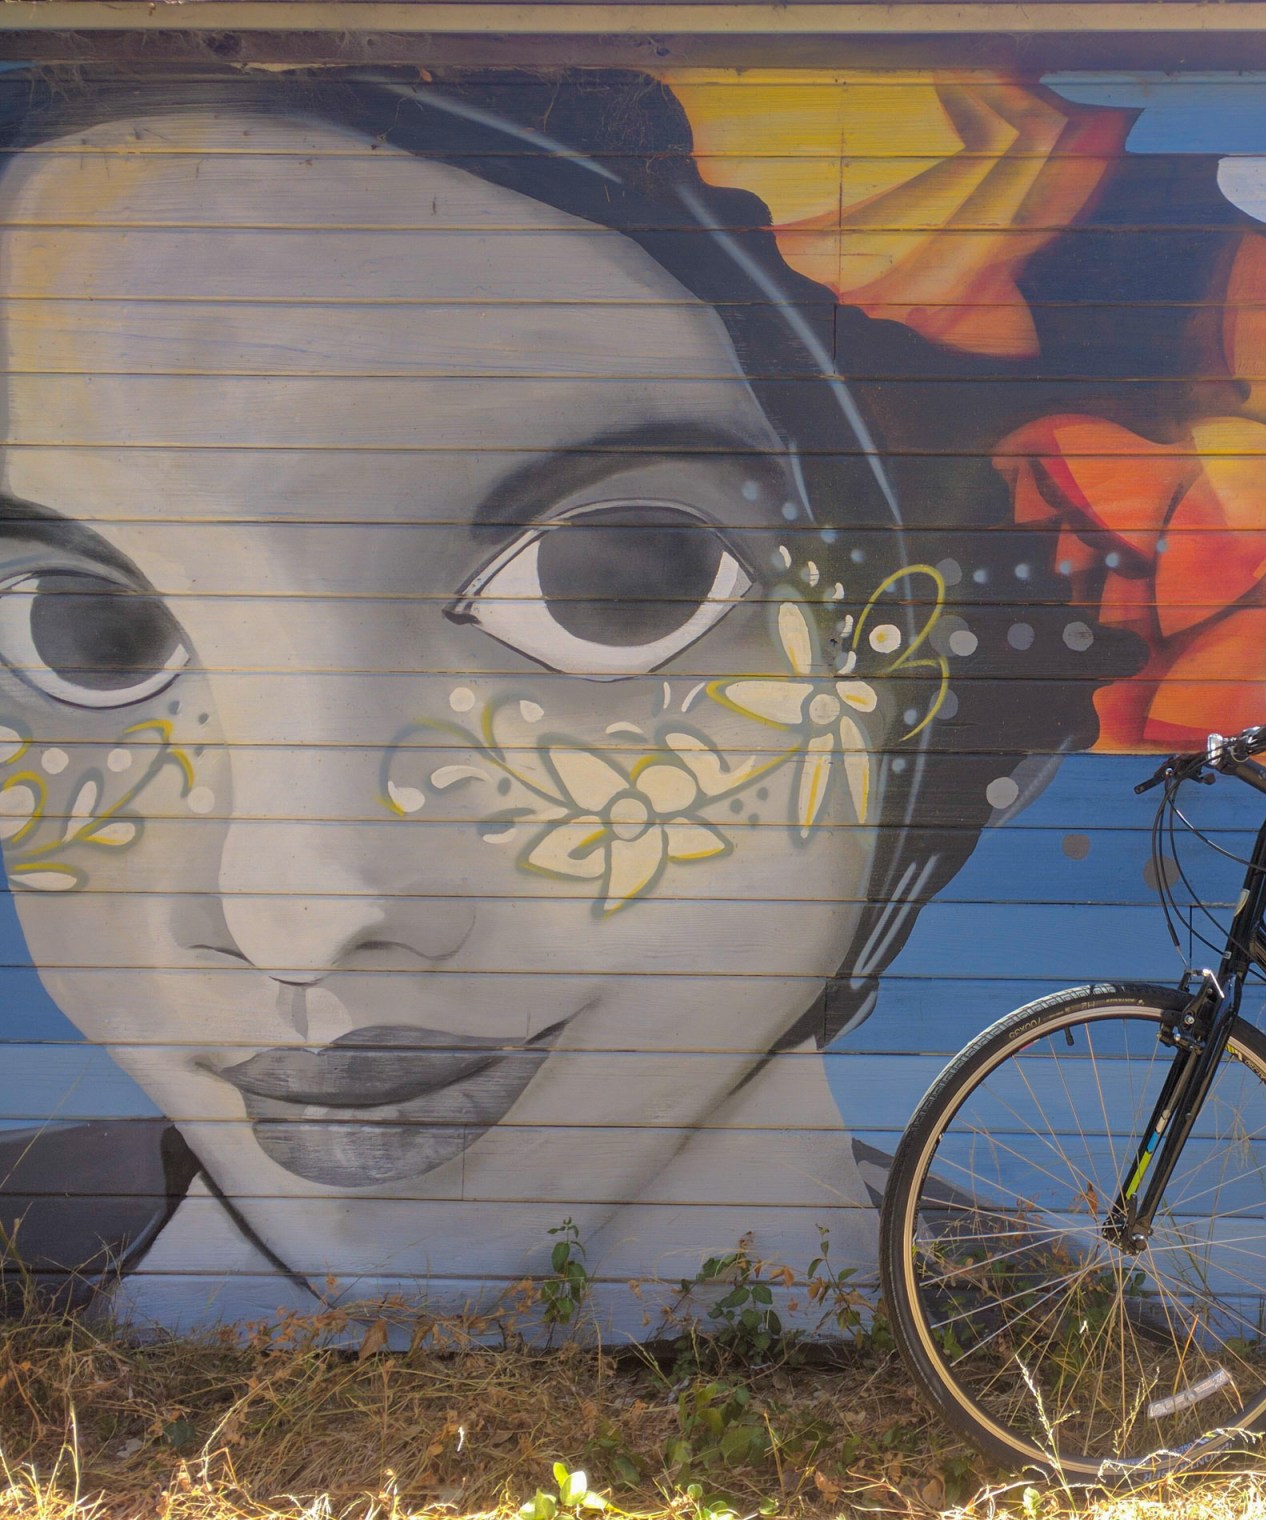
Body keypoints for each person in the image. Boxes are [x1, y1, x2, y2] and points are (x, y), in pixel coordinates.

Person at [0, 68, 1107, 1329]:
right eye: (83, 637)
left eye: (608, 590)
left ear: (897, 667)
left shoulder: (1062, 1328)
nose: (302, 914)